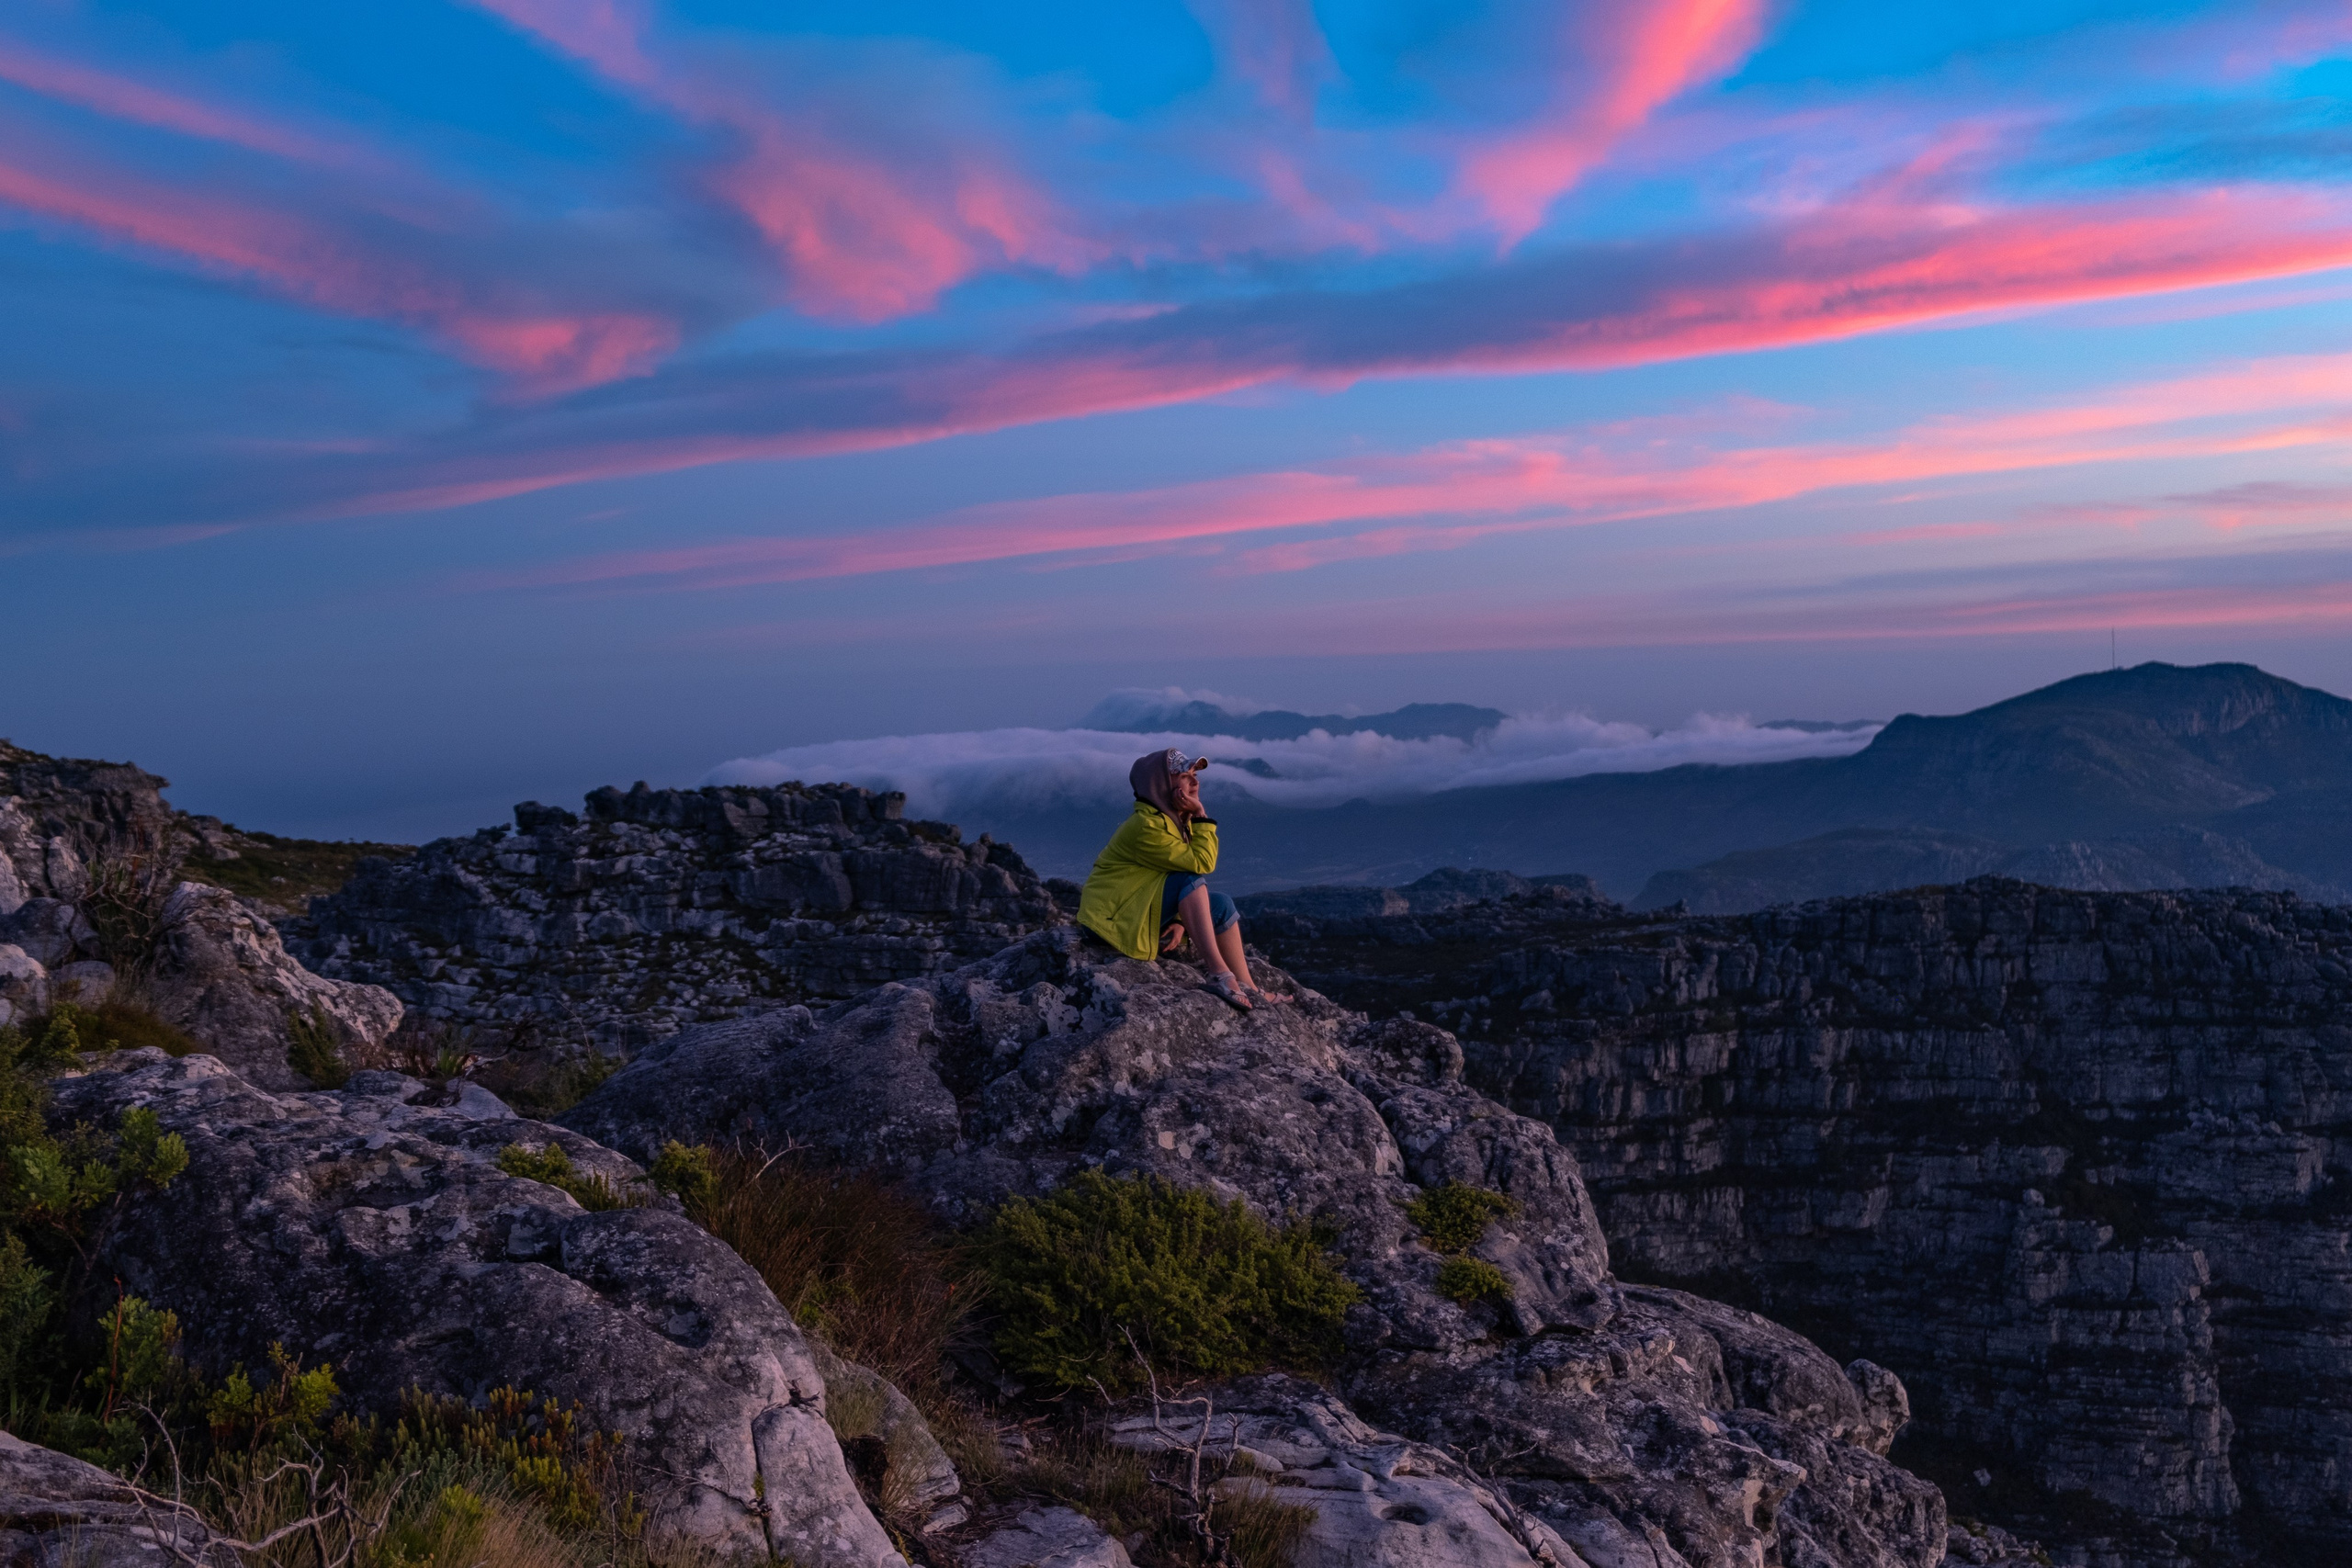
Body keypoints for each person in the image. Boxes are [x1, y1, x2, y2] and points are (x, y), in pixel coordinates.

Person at [1077, 749, 1281, 1010]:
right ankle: (1219, 974)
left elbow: (1167, 877)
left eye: (1194, 774)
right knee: (1191, 879)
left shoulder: (1170, 821)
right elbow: (1201, 864)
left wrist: (1177, 918)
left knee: (1221, 906)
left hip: (1137, 904)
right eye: (1185, 776)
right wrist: (1200, 813)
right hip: (1107, 919)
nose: (1195, 782)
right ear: (1161, 784)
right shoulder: (1145, 826)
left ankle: (1250, 989)